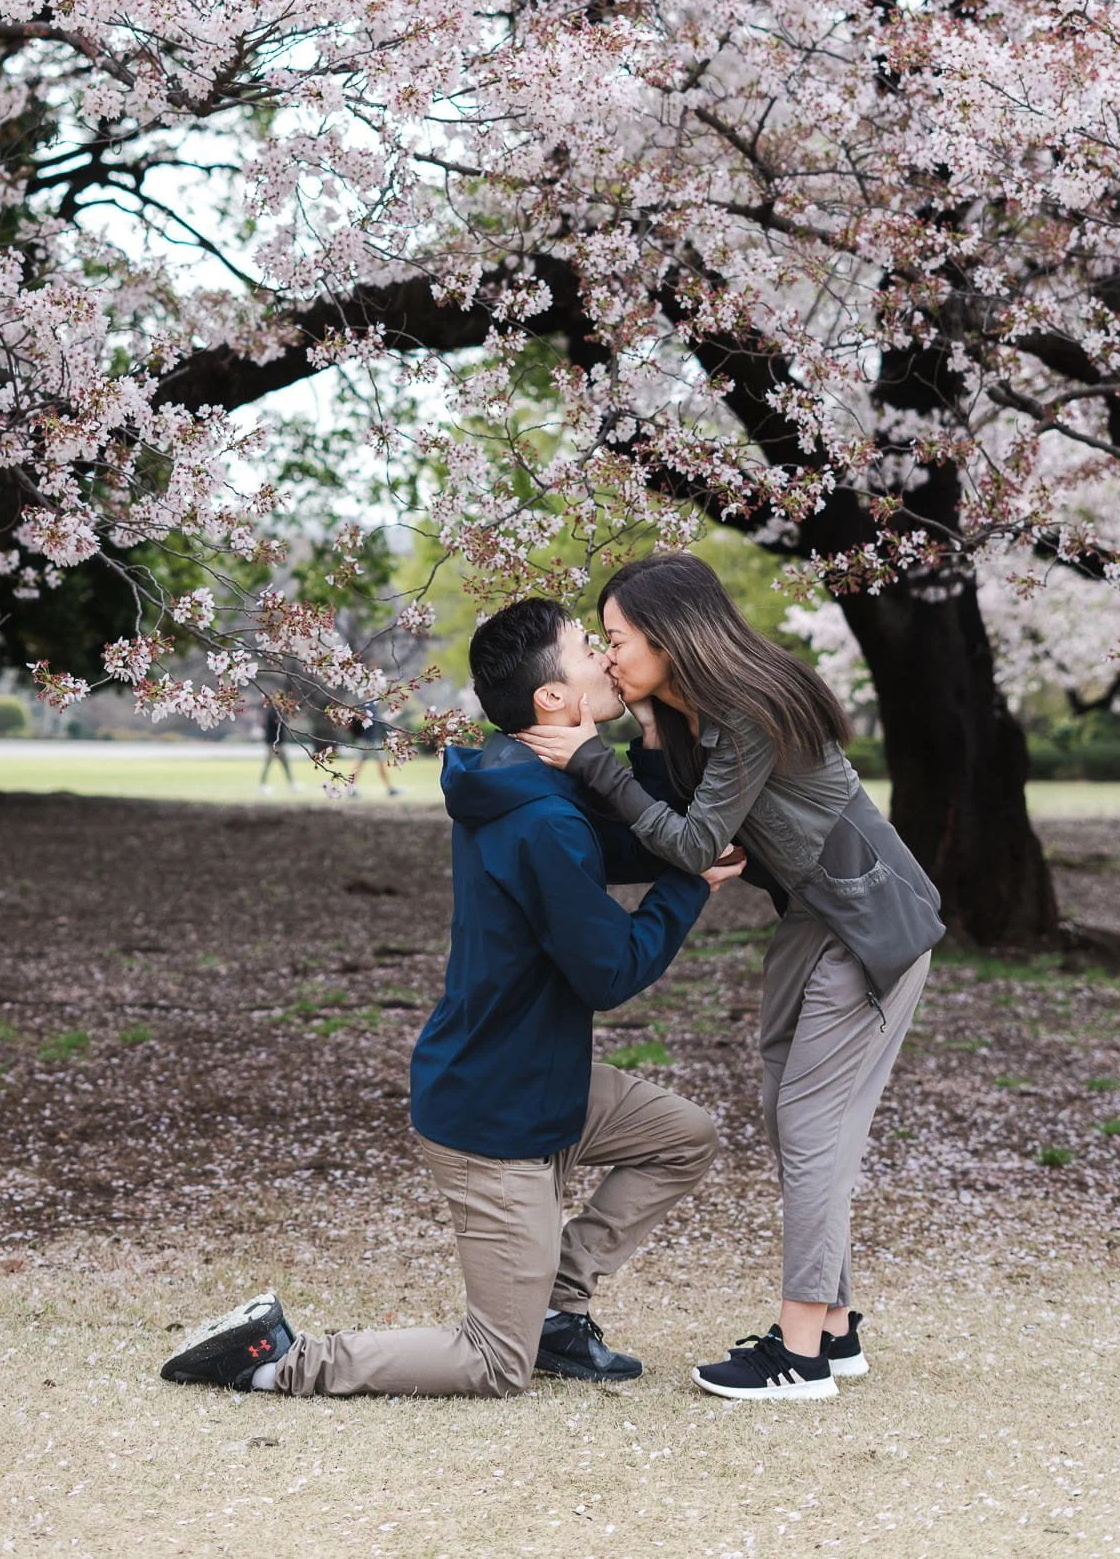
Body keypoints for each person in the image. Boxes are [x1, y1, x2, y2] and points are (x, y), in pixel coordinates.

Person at [160, 597, 744, 1399]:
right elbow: (611, 972)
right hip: (494, 1119)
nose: (608, 657)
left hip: (536, 1081)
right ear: (553, 699)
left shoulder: (521, 778)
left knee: (684, 1136)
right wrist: (686, 884)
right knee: (494, 1362)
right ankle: (273, 1359)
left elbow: (626, 839)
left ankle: (557, 1311)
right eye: (587, 648)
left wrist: (647, 732)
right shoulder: (540, 817)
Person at [517, 553, 944, 1402]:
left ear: (672, 638)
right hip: (815, 921)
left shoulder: (748, 710)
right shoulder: (693, 715)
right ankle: (834, 1326)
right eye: (602, 644)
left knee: (812, 1127)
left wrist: (591, 758)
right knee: (793, 1121)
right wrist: (637, 725)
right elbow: (667, 818)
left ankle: (800, 1355)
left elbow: (689, 843)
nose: (607, 658)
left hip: (869, 926)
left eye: (619, 641)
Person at [346, 702, 403, 796]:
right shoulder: (369, 705)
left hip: (366, 740)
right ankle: (390, 789)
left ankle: (350, 788)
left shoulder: (367, 704)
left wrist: (392, 729)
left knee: (359, 765)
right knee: (370, 765)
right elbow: (378, 722)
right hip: (370, 741)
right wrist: (392, 730)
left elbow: (378, 722)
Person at [257, 701, 296, 794]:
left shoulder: (277, 711)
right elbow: (279, 722)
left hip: (279, 743)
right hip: (274, 744)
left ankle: (292, 784)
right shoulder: (273, 712)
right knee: (269, 763)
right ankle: (263, 785)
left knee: (285, 764)